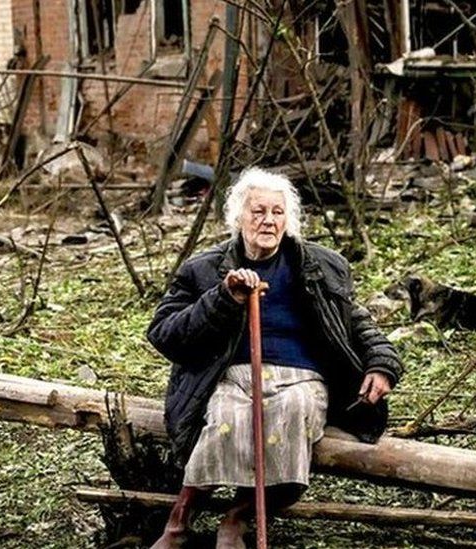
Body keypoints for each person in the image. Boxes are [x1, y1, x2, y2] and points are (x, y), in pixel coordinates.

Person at [146, 167, 402, 548]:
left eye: (277, 212)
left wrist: (382, 365)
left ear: (289, 219)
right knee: (226, 419)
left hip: (301, 377)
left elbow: (357, 322)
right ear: (238, 217)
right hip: (231, 375)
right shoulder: (203, 269)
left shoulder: (319, 265)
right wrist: (223, 298)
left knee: (292, 413)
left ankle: (238, 517)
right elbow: (164, 333)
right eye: (258, 211)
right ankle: (178, 523)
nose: (268, 220)